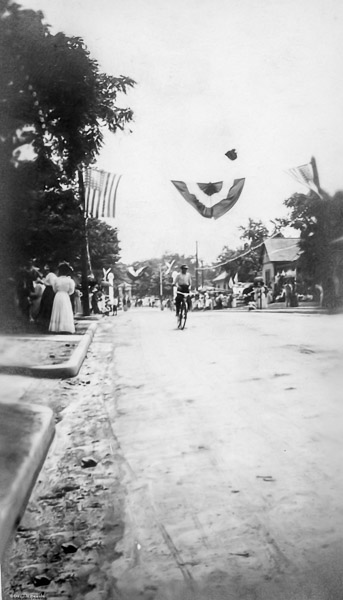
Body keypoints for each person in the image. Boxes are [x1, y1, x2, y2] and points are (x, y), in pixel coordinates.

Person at [49, 262, 75, 334]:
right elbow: (71, 290)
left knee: (57, 310)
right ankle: (65, 327)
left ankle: (56, 327)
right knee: (65, 310)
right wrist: (67, 293)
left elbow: (54, 289)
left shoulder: (56, 280)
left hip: (58, 295)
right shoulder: (70, 280)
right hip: (65, 295)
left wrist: (59, 292)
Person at [36, 265, 57, 331]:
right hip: (50, 291)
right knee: (47, 305)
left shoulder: (50, 275)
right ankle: (45, 322)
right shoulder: (52, 275)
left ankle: (45, 321)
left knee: (47, 305)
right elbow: (53, 283)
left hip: (49, 290)